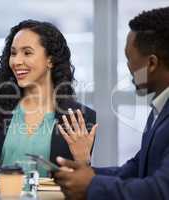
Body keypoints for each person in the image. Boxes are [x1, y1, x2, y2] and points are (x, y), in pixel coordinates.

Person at [0, 19, 97, 181]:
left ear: (50, 60)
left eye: (27, 53)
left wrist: (83, 160)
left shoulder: (80, 118)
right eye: (13, 53)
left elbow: (79, 186)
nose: (16, 61)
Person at [54, 6, 169, 200]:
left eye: (129, 59)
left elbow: (160, 190)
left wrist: (91, 185)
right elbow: (135, 169)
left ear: (151, 63)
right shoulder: (160, 109)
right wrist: (85, 174)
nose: (128, 69)